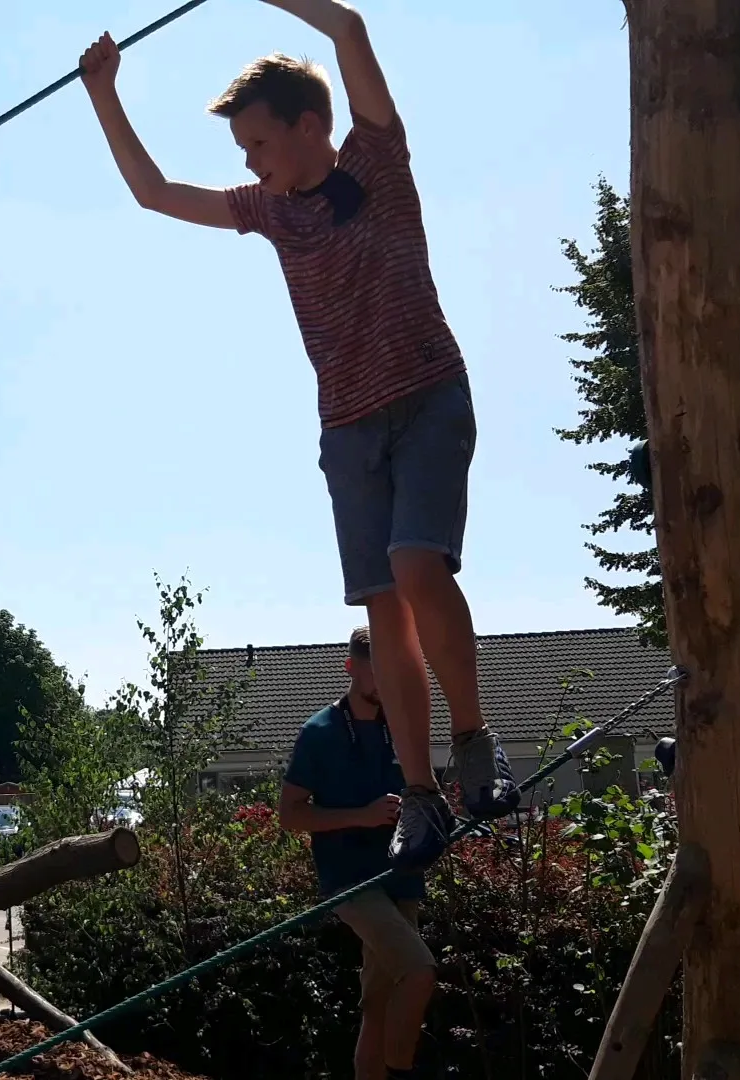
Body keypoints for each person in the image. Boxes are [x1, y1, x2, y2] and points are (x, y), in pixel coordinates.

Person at [77, 0, 516, 874]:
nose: (250, 163)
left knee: (418, 566)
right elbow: (155, 194)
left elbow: (349, 27)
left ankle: (475, 743)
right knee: (383, 609)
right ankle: (420, 797)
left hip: (428, 395)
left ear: (310, 127)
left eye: (259, 145)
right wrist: (103, 94)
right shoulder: (270, 213)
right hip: (347, 426)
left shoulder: (376, 164)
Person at [279, 628, 435, 1080]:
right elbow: (290, 815)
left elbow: (425, 790)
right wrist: (362, 816)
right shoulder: (320, 732)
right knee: (420, 970)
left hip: (402, 876)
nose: (385, 680)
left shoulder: (401, 723)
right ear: (351, 667)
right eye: (375, 669)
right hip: (350, 883)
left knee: (378, 1006)